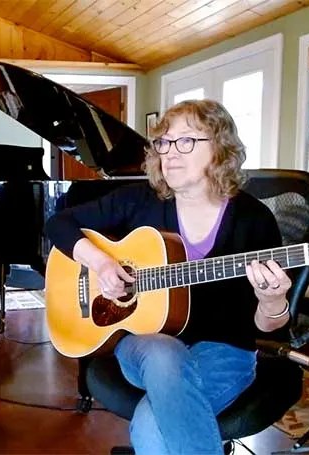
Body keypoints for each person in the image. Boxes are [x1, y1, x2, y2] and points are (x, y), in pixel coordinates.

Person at [45, 99, 292, 454]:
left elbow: (270, 328)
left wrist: (272, 301)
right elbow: (59, 223)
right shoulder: (140, 200)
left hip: (224, 352)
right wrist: (100, 263)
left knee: (151, 425)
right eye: (164, 142)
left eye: (187, 140)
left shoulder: (253, 220)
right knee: (164, 354)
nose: (170, 153)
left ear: (220, 149)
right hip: (145, 343)